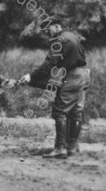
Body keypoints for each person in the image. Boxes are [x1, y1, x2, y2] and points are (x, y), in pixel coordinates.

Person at [20, 15, 90, 158]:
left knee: (60, 112)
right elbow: (83, 56)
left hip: (72, 77)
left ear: (57, 27)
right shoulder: (73, 36)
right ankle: (72, 147)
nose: (47, 32)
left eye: (49, 29)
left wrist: (31, 77)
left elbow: (48, 65)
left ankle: (60, 149)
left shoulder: (59, 40)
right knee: (76, 112)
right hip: (83, 75)